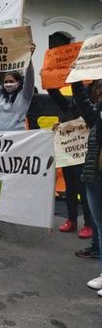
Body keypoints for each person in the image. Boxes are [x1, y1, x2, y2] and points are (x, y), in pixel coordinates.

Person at [0, 44, 35, 222]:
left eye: (12, 81)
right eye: (6, 81)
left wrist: (30, 58)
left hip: (15, 144)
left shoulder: (25, 96)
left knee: (12, 178)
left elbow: (31, 78)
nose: (8, 84)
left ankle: (15, 210)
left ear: (19, 83)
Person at [48, 87, 93, 239]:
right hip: (68, 156)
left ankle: (88, 223)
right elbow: (54, 93)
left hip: (85, 156)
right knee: (70, 187)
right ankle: (71, 219)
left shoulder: (90, 110)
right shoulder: (67, 107)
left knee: (84, 189)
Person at [71, 79, 102, 297]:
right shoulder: (97, 115)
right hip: (94, 177)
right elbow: (83, 103)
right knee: (100, 228)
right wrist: (76, 79)